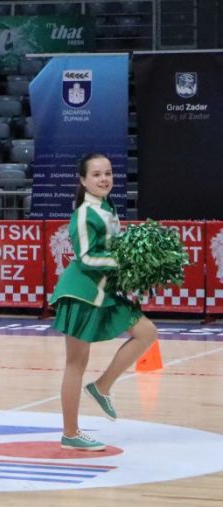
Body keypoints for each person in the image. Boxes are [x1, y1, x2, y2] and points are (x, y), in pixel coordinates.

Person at [48, 153, 158, 451]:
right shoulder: (84, 213)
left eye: (108, 173)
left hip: (105, 291)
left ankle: (103, 385)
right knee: (76, 362)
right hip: (82, 293)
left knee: (146, 332)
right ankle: (70, 433)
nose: (104, 179)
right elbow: (85, 258)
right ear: (83, 180)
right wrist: (123, 261)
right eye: (96, 174)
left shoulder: (107, 206)